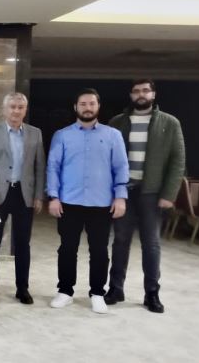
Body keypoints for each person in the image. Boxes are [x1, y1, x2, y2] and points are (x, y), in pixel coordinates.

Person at [106, 79, 185, 313]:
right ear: (131, 95)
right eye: (136, 91)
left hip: (152, 193)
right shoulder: (117, 122)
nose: (141, 94)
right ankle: (115, 288)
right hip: (124, 192)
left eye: (145, 90)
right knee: (120, 241)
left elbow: (178, 160)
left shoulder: (170, 123)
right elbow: (107, 158)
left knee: (151, 244)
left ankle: (152, 293)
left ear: (153, 94)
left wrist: (169, 193)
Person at [47, 88, 128, 314]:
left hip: (101, 203)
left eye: (92, 103)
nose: (87, 108)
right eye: (83, 104)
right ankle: (65, 291)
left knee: (99, 251)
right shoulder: (62, 135)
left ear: (98, 107)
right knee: (67, 249)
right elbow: (53, 167)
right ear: (76, 107)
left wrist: (120, 196)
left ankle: (97, 293)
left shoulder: (113, 135)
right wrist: (53, 196)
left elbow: (121, 167)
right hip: (69, 202)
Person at [0, 93, 46, 304]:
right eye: (12, 107)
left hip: (24, 195)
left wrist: (38, 195)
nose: (16, 111)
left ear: (25, 110)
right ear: (4, 109)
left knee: (23, 243)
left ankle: (22, 288)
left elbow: (40, 166)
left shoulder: (35, 133)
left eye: (20, 107)